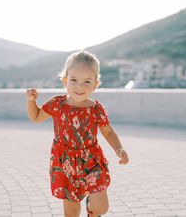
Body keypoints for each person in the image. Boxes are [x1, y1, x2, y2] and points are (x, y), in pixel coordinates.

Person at [26, 50, 129, 217]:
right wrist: (31, 101)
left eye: (86, 82)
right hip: (65, 163)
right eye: (74, 80)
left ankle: (91, 211)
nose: (79, 86)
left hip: (91, 161)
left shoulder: (95, 108)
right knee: (71, 212)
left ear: (95, 85)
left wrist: (119, 149)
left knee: (101, 207)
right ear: (65, 80)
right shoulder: (57, 104)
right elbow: (36, 116)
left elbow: (109, 132)